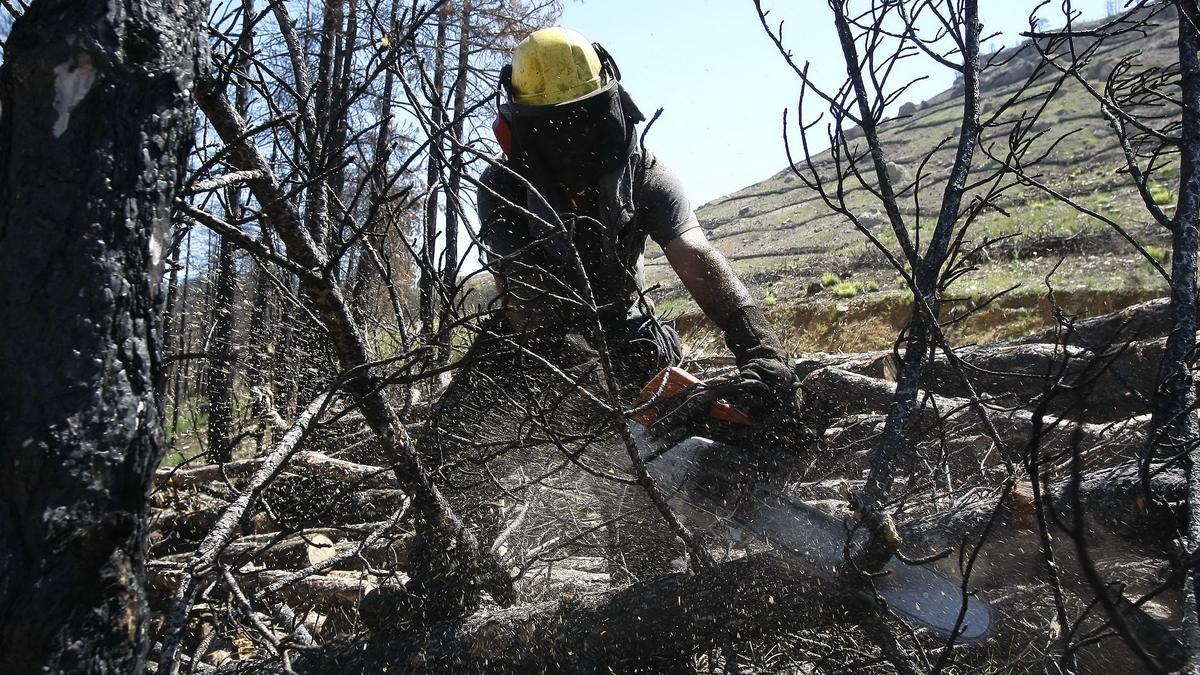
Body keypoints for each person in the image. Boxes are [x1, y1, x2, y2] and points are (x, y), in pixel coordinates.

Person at [420, 26, 797, 583]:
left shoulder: (644, 172)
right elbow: (527, 302)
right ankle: (454, 583)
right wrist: (596, 401)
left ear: (611, 110)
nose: (571, 140)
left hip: (622, 327)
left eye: (584, 120)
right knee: (445, 450)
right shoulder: (502, 183)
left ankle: (647, 594)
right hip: (531, 338)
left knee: (645, 487)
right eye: (554, 129)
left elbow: (694, 255)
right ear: (522, 132)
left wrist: (760, 350)